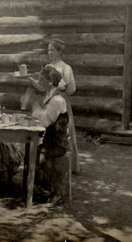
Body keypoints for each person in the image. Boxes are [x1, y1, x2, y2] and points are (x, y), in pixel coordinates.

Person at [30, 66, 69, 208]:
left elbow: (45, 122)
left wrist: (35, 108)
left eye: (41, 79)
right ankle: (44, 188)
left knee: (40, 158)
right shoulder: (49, 96)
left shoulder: (57, 100)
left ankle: (57, 193)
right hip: (50, 141)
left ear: (50, 81)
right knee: (31, 155)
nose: (39, 82)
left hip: (58, 144)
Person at [45, 39, 80, 174]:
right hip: (49, 102)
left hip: (61, 104)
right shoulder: (47, 67)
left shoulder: (66, 68)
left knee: (63, 134)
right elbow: (43, 86)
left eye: (52, 50)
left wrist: (60, 85)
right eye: (48, 50)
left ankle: (68, 166)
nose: (49, 53)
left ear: (60, 51)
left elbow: (71, 90)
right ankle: (48, 165)